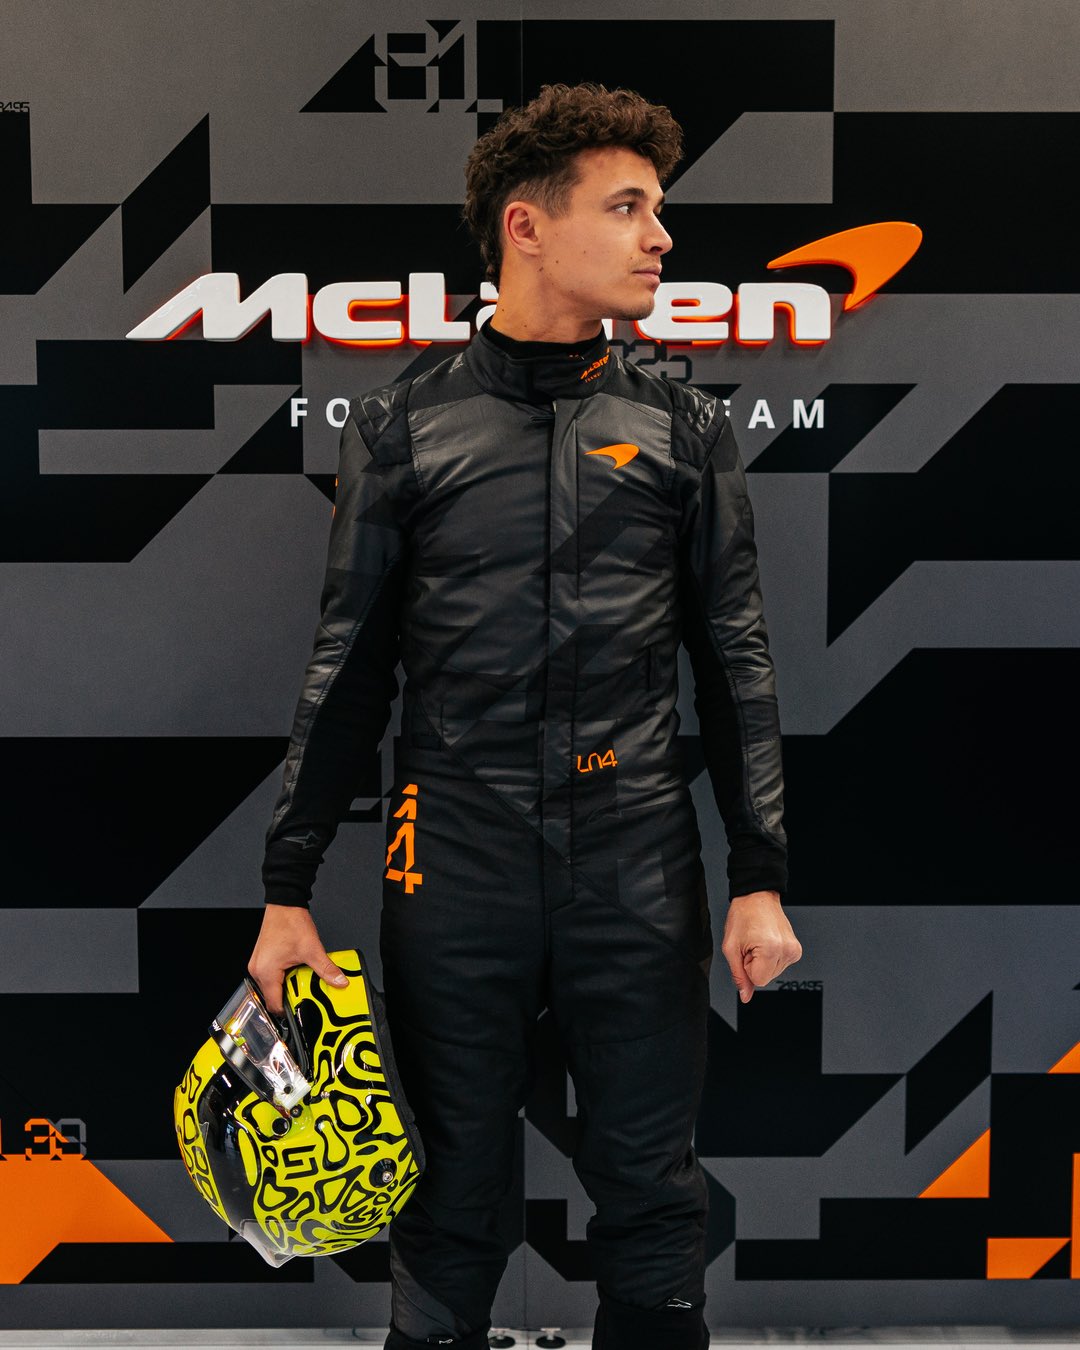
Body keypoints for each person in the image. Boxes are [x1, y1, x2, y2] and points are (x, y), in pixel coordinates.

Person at [248, 81, 803, 1350]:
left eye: (658, 210)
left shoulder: (685, 427)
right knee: (448, 1197)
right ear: (527, 226)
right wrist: (288, 888)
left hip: (636, 851)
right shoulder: (404, 425)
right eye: (629, 207)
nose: (661, 237)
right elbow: (348, 669)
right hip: (455, 852)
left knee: (653, 1191)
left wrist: (761, 875)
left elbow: (737, 661)